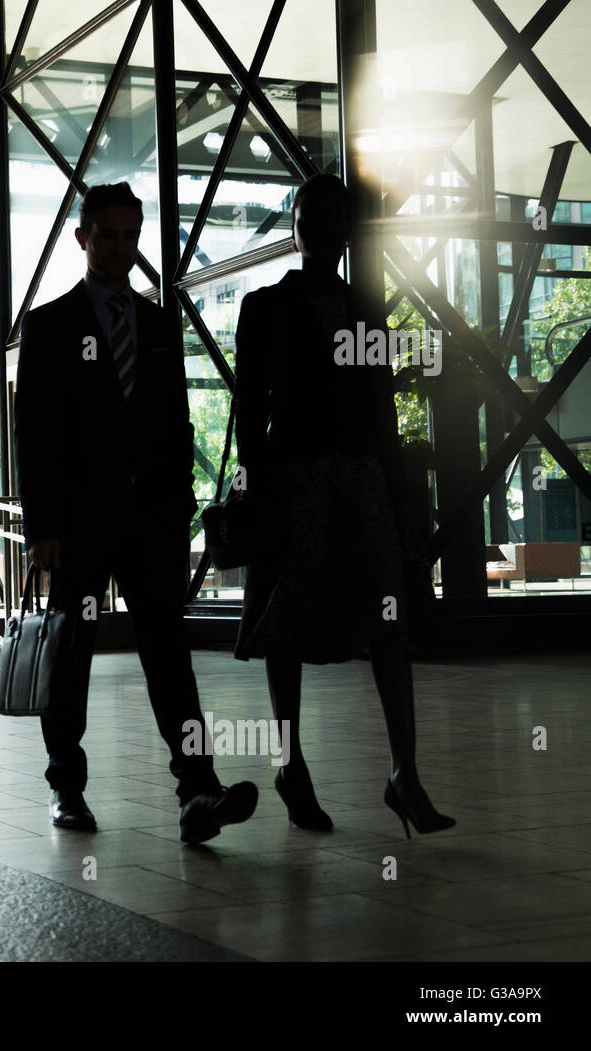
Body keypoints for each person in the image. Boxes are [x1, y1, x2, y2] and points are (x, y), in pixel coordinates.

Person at [14, 182, 258, 843]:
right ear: (82, 237)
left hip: (150, 520)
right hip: (77, 523)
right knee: (71, 655)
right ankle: (66, 786)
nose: (120, 246)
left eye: (130, 234)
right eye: (108, 234)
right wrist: (42, 527)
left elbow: (174, 421)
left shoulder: (156, 324)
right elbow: (31, 432)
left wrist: (179, 505)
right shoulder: (50, 323)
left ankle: (197, 789)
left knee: (168, 655)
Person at [233, 172, 454, 838]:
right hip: (296, 479)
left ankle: (402, 773)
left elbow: (382, 405)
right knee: (287, 621)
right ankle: (292, 762)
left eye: (334, 216)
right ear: (295, 225)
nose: (324, 226)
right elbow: (250, 411)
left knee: (387, 612)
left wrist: (398, 492)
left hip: (358, 477)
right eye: (310, 214)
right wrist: (259, 485)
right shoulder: (265, 307)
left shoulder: (366, 309)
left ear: (346, 228)